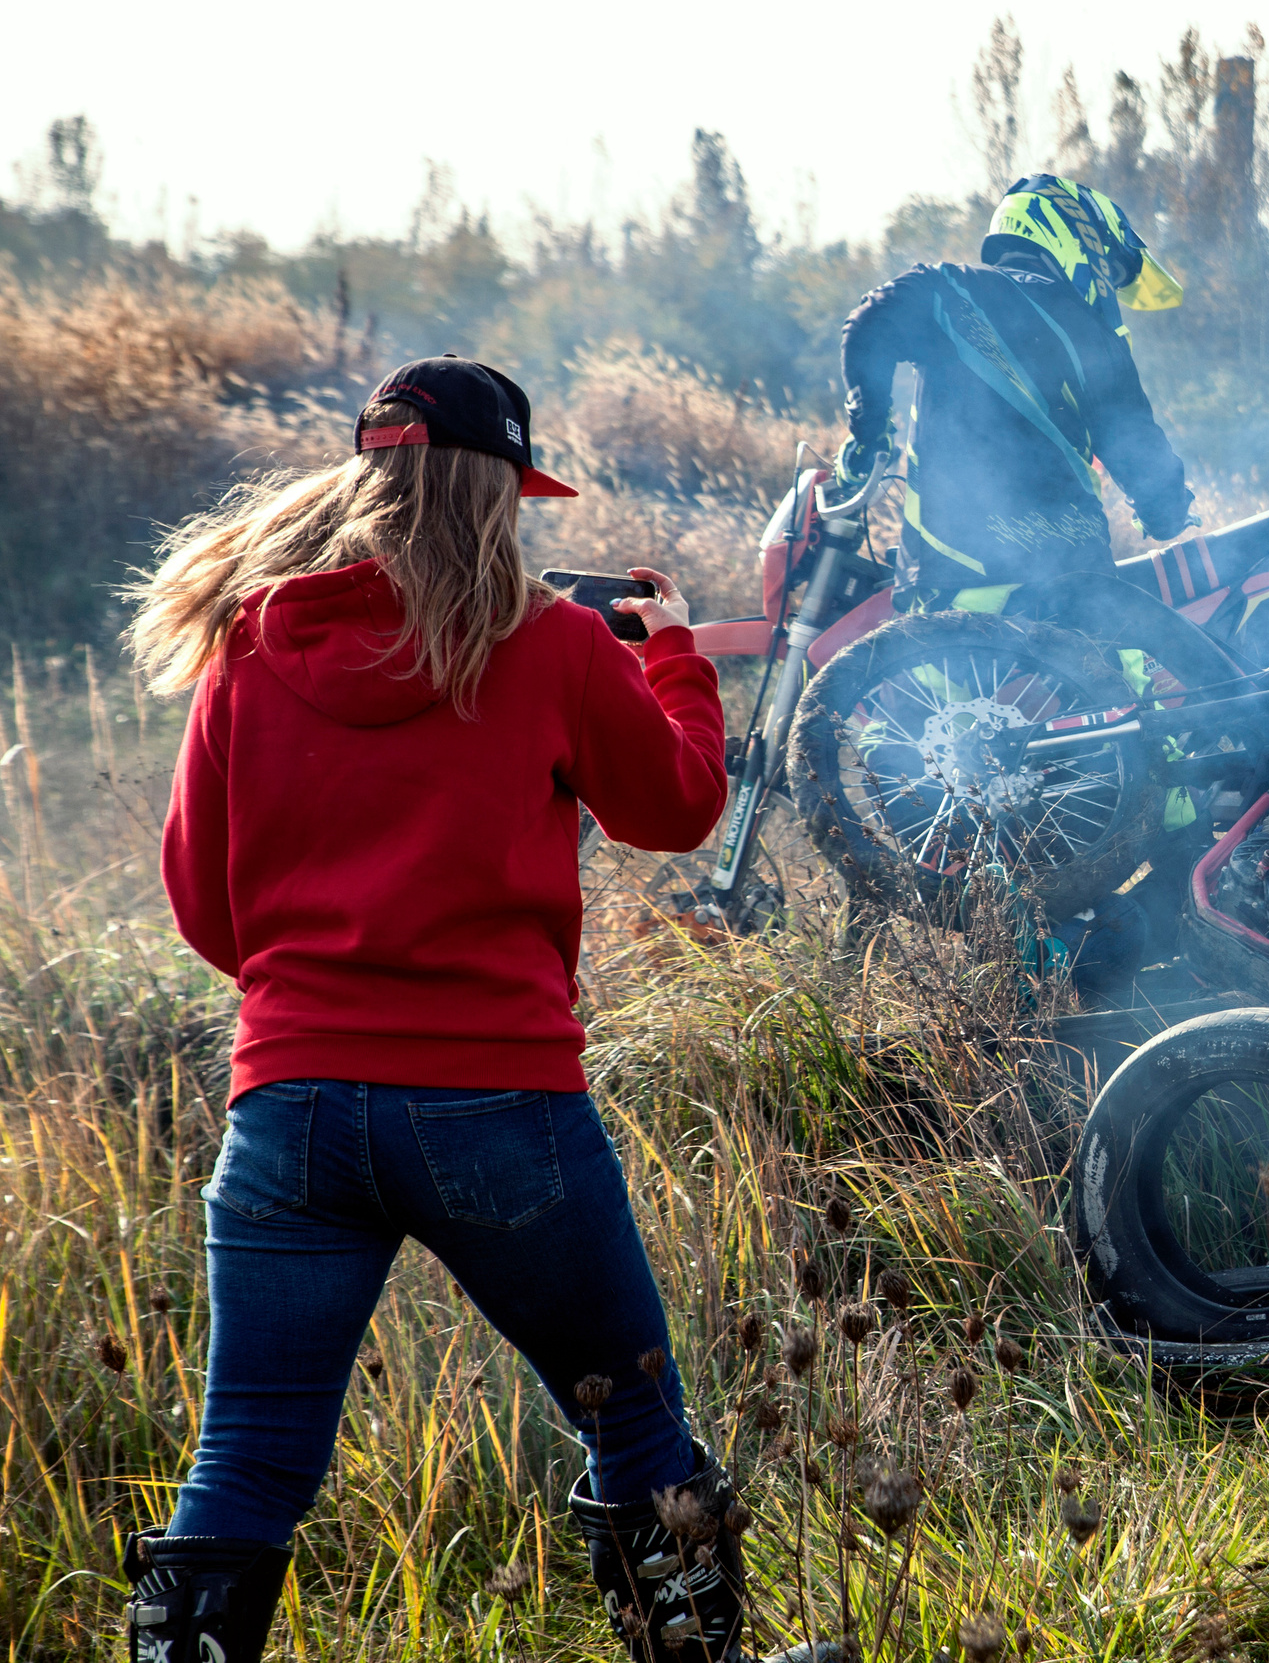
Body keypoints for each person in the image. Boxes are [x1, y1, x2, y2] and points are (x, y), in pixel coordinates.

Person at [124, 356, 744, 1663]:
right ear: (501, 488)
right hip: (501, 1108)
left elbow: (201, 899)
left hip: (286, 1110)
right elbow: (678, 808)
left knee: (242, 1466)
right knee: (632, 1420)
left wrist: (318, 1002)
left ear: (373, 475)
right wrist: (674, 651)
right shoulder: (562, 642)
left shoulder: (250, 642)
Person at [836, 173, 1198, 609]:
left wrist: (870, 437)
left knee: (917, 677)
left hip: (952, 581)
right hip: (1074, 585)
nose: (1108, 280)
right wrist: (1167, 513)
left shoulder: (947, 286)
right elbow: (1138, 447)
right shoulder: (1096, 336)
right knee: (1119, 674)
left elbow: (866, 329)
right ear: (1081, 236)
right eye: (1111, 265)